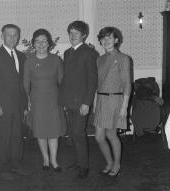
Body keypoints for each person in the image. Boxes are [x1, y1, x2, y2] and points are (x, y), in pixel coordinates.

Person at [58, 20, 98, 179]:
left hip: (82, 102)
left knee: (78, 133)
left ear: (84, 35)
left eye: (76, 33)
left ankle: (84, 166)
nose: (72, 36)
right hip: (70, 101)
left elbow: (92, 80)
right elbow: (67, 79)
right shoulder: (68, 53)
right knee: (73, 134)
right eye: (71, 33)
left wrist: (87, 103)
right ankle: (79, 161)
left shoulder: (89, 53)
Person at [0, 24, 28, 179]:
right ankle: (4, 166)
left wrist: (24, 105)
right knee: (4, 136)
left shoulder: (22, 56)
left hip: (18, 105)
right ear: (2, 36)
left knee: (18, 136)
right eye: (9, 35)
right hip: (2, 105)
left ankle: (16, 164)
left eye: (15, 35)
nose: (12, 38)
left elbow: (22, 84)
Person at [23, 29, 66, 172]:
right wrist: (27, 101)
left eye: (44, 41)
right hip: (37, 102)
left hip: (54, 101)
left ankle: (54, 160)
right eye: (37, 41)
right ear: (33, 43)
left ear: (49, 43)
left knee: (53, 132)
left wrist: (64, 101)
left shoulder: (56, 60)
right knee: (40, 131)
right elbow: (25, 84)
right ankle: (45, 159)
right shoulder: (29, 61)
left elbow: (62, 82)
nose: (41, 44)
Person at [93, 27, 131, 176]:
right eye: (103, 38)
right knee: (98, 137)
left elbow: (127, 83)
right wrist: (96, 103)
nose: (106, 41)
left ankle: (116, 164)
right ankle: (109, 161)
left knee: (112, 135)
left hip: (116, 100)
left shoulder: (123, 58)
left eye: (109, 38)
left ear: (116, 40)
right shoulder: (99, 59)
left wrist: (125, 106)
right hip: (101, 100)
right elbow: (98, 83)